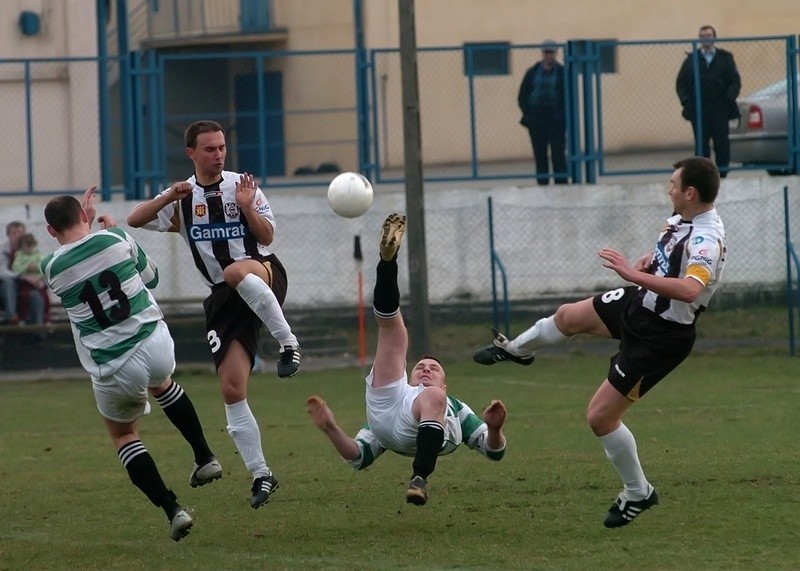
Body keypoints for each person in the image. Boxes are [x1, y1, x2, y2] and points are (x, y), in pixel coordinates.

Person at [473, 156, 726, 528]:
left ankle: (639, 492)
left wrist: (627, 272)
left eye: (673, 184)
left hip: (661, 337)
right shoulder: (680, 217)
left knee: (600, 417)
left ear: (690, 192)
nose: (668, 189)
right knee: (567, 316)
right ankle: (516, 350)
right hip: (640, 305)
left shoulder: (708, 237)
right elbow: (671, 262)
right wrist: (646, 267)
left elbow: (690, 289)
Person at [127, 120, 299, 509]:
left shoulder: (242, 185)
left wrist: (245, 207)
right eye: (210, 148)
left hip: (262, 271)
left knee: (235, 270)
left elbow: (267, 236)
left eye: (222, 147)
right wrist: (169, 195)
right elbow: (135, 219)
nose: (219, 154)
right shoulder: (183, 199)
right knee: (231, 389)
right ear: (191, 153)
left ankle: (289, 344)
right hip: (223, 300)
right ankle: (262, 474)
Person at [41, 187, 223, 542]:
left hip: (113, 364)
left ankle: (174, 510)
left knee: (124, 434)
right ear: (84, 216)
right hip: (154, 343)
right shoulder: (117, 238)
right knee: (163, 384)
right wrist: (107, 231)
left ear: (50, 231)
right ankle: (205, 457)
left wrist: (92, 229)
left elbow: (75, 260)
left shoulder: (50, 267)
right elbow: (151, 278)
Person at [307, 213, 508, 506]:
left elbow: (494, 452)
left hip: (416, 415)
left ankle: (418, 479)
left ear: (445, 381)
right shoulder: (408, 392)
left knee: (432, 397)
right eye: (420, 368)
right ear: (410, 377)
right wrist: (330, 428)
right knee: (394, 332)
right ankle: (387, 261)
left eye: (434, 368)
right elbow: (358, 456)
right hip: (392, 409)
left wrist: (494, 429)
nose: (425, 369)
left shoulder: (457, 409)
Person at [676, 25, 741, 177]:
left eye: (709, 35)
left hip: (720, 108)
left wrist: (728, 99)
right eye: (703, 36)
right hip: (699, 109)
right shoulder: (692, 59)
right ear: (699, 39)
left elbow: (735, 82)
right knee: (701, 143)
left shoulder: (725, 58)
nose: (706, 38)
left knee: (721, 142)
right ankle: (703, 176)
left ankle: (723, 173)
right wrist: (687, 102)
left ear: (714, 37)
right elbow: (680, 84)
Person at [517, 40, 568, 185]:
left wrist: (561, 115)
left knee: (558, 154)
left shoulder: (562, 72)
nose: (549, 55)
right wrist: (529, 114)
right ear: (542, 53)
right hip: (537, 119)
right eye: (546, 52)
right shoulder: (532, 72)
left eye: (551, 52)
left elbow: (568, 96)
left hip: (555, 120)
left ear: (556, 53)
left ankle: (561, 185)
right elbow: (522, 95)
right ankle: (542, 185)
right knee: (540, 155)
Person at [11, 233, 48, 325]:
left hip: (39, 281)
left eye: (31, 245)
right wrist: (26, 268)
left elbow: (44, 267)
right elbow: (15, 268)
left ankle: (46, 318)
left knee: (45, 298)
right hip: (25, 283)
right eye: (27, 246)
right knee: (23, 298)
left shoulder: (38, 254)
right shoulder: (19, 255)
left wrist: (37, 267)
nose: (29, 248)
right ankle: (23, 317)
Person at [0, 221, 26, 324]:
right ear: (8, 235)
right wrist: (20, 276)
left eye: (20, 233)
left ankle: (38, 332)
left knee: (36, 295)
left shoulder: (29, 251)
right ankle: (11, 316)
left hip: (23, 287)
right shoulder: (2, 250)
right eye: (14, 233)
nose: (17, 236)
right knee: (8, 282)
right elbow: (2, 271)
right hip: (4, 288)